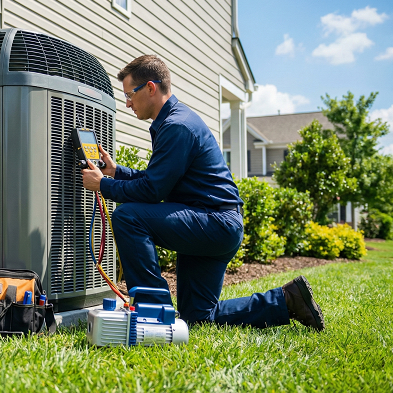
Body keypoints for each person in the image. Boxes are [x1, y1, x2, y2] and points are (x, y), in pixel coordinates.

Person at [81, 55, 324, 330]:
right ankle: (287, 300)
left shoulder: (176, 126)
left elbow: (152, 191)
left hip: (214, 222)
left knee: (128, 217)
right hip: (213, 223)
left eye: (129, 94)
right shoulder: (174, 121)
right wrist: (116, 173)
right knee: (198, 316)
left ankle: (154, 313)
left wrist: (103, 185)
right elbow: (159, 181)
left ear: (150, 87)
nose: (127, 103)